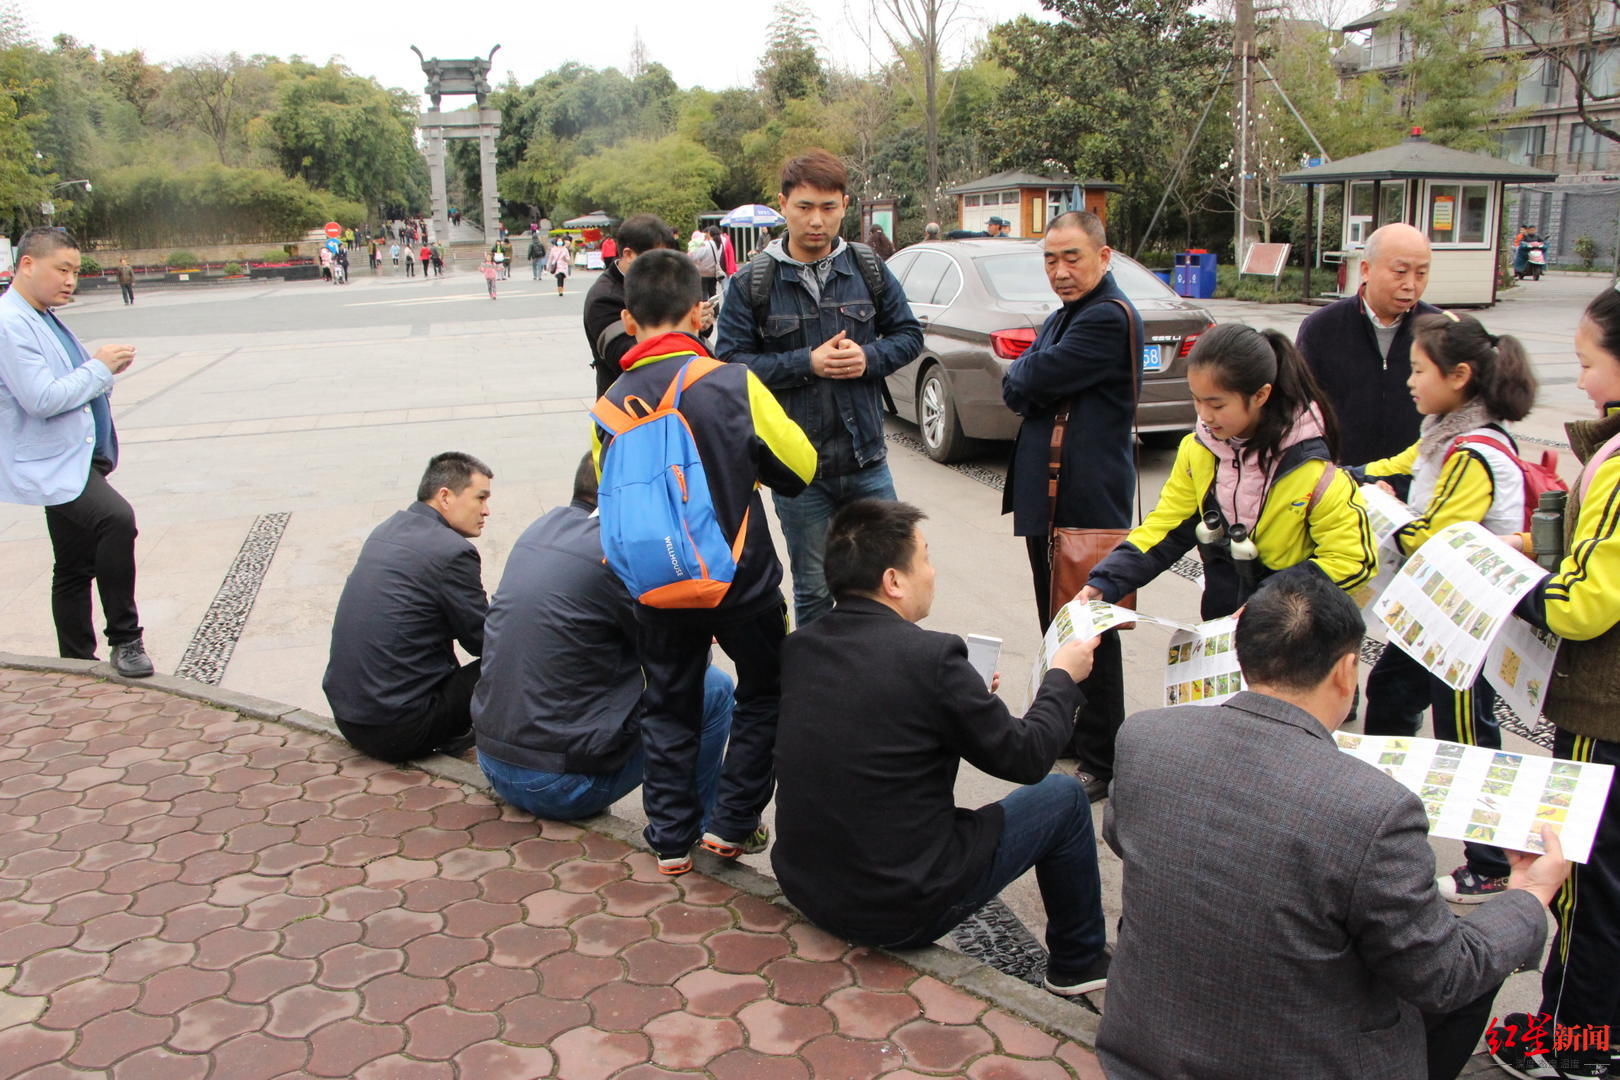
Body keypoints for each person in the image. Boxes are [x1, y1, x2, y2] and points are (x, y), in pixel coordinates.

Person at [1098, 565, 1566, 1080]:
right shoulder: (1376, 810)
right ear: (1347, 671)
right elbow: (1443, 975)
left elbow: (1122, 835)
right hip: (1302, 1061)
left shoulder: (1146, 737)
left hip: (1143, 1043)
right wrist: (1528, 896)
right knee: (1478, 956)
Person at [773, 499, 1111, 997]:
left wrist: (967, 698)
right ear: (893, 580)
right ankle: (1078, 963)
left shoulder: (802, 646)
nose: (932, 572)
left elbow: (881, 722)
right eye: (925, 558)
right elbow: (1027, 757)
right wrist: (1062, 678)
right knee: (1061, 799)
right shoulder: (932, 657)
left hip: (809, 888)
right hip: (898, 907)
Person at [591, 248, 815, 875]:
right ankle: (733, 821)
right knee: (766, 689)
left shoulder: (608, 406)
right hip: (741, 580)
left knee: (668, 700)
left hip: (655, 583)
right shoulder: (731, 382)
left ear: (629, 321)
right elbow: (800, 469)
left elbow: (610, 494)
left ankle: (667, 838)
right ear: (700, 312)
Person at [1350, 314, 1538, 904]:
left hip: (1466, 623)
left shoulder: (1474, 450)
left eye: (1418, 369)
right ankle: (1381, 822)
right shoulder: (1444, 432)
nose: (1409, 380)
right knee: (1390, 697)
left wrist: (1385, 511)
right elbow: (1398, 466)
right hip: (1435, 615)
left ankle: (1492, 862)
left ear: (1458, 376)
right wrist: (1349, 478)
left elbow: (1440, 539)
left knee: (1467, 736)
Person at [1491, 287, 1620, 1080]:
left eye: (1588, 363)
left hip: (1605, 710)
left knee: (1586, 883)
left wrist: (1514, 582)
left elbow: (1586, 602)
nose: (1579, 382)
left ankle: (1574, 1043)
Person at [714, 148, 924, 627]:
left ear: (845, 206)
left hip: (867, 459)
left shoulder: (868, 268)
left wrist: (868, 358)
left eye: (828, 208)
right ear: (783, 204)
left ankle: (888, 682)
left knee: (890, 584)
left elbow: (910, 335)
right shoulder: (753, 282)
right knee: (812, 589)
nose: (816, 220)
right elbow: (728, 364)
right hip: (797, 471)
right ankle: (820, 694)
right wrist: (806, 362)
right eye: (805, 207)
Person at [472, 455, 734, 821]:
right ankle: (705, 824)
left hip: (492, 761)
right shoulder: (620, 552)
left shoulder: (541, 527)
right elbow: (681, 662)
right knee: (714, 689)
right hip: (556, 785)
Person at [1084, 323, 1377, 618]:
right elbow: (1168, 526)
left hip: (1289, 637)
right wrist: (1107, 580)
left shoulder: (1312, 470)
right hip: (1223, 624)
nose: (1204, 415)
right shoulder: (1198, 450)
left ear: (1261, 395)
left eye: (1217, 404)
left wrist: (1274, 599)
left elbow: (1352, 559)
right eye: (1196, 399)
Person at [1001, 210, 1144, 801]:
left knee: (1091, 631)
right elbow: (1020, 383)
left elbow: (1024, 382)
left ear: (1104, 257)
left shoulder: (1105, 319)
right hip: (1055, 497)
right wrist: (1027, 374)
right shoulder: (1069, 315)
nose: (1060, 271)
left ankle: (1104, 757)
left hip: (1085, 500)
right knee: (1059, 623)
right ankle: (1074, 726)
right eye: (1050, 259)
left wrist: (1027, 374)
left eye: (1073, 258)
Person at [0, 227, 151, 678]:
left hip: (72, 459)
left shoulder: (40, 314)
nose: (70, 280)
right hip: (53, 463)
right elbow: (42, 398)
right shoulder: (11, 323)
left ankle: (75, 663)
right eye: (61, 269)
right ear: (27, 265)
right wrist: (100, 367)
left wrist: (101, 373)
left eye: (75, 272)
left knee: (72, 563)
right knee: (116, 521)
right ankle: (125, 639)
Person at [323, 452, 492, 764]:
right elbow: (484, 640)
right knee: (515, 656)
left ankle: (456, 732)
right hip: (398, 730)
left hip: (349, 716)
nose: (486, 511)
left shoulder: (387, 530)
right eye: (480, 498)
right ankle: (518, 755)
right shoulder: (452, 552)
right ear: (445, 496)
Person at [1296, 222, 1440, 468]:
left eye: (1421, 273)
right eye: (1400, 271)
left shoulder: (1440, 332)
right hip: (1341, 481)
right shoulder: (1320, 329)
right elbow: (1298, 410)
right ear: (1366, 269)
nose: (1410, 284)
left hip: (1418, 481)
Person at [584, 214, 678, 398]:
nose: (662, 266)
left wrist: (699, 322)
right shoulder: (605, 298)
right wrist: (682, 324)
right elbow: (629, 358)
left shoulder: (656, 282)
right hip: (625, 408)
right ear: (628, 255)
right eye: (655, 257)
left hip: (664, 401)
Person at [688, 228, 721, 299]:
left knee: (704, 294)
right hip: (713, 272)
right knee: (713, 293)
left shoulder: (704, 244)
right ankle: (716, 309)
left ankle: (705, 309)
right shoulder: (715, 244)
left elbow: (696, 257)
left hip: (703, 273)